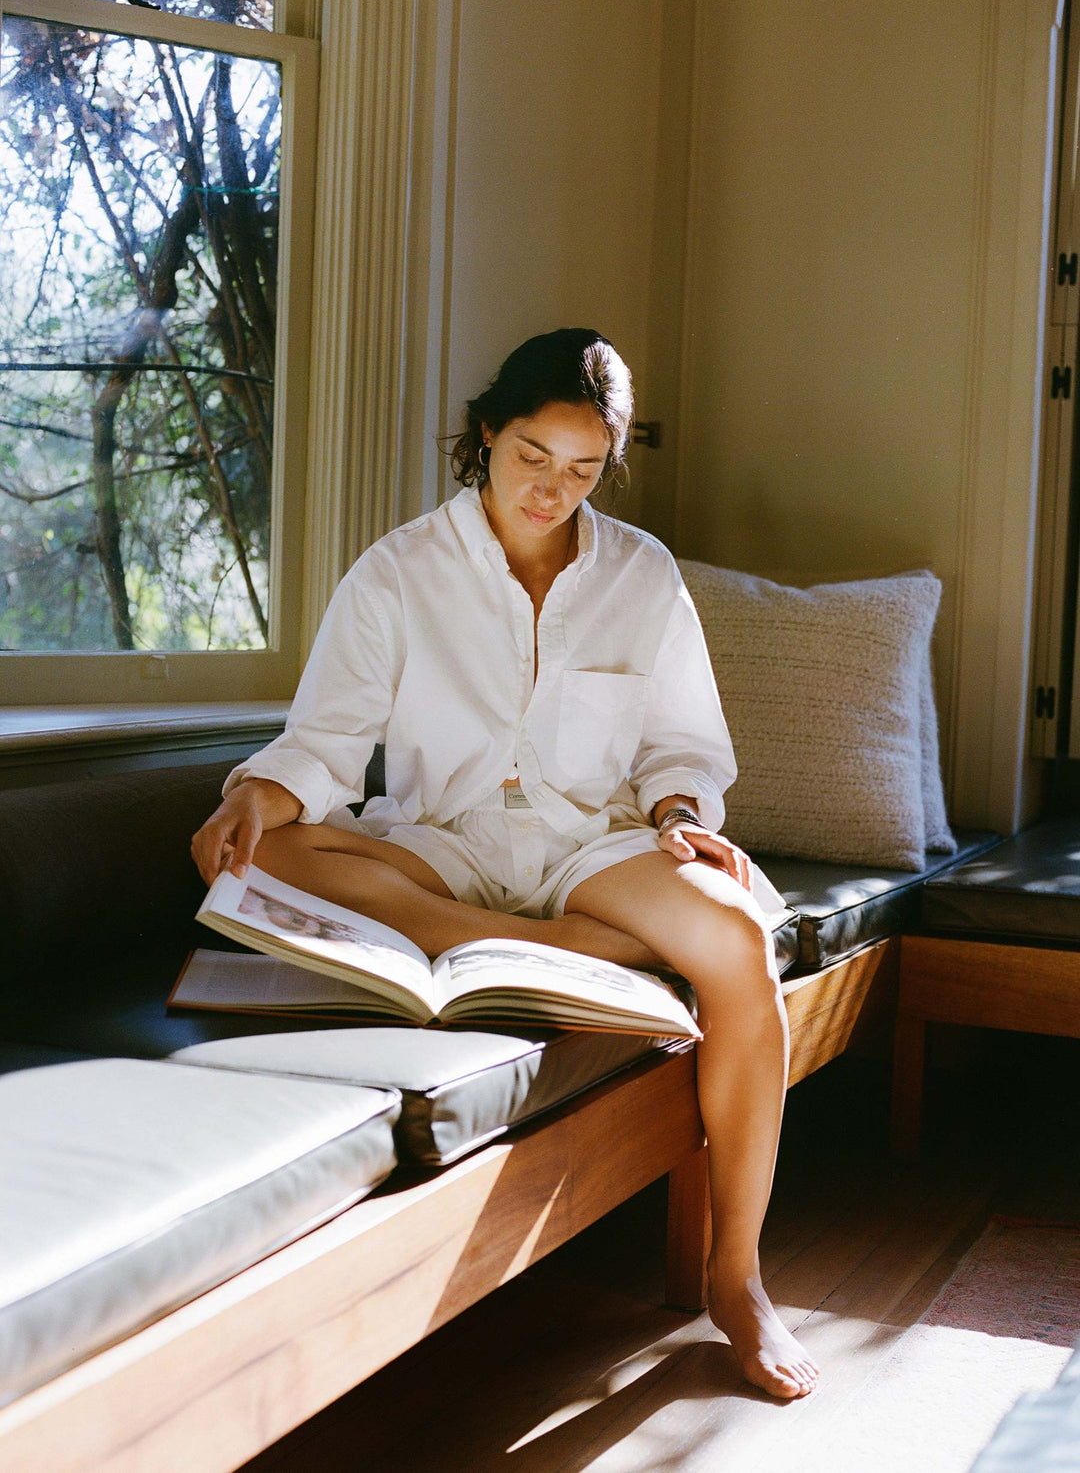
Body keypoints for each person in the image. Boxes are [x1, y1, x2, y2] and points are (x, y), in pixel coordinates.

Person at [191, 328, 819, 1399]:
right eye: (533, 457)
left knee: (742, 943)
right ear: (486, 430)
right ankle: (558, 954)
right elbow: (327, 744)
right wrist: (260, 789)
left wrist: (679, 813)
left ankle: (737, 1277)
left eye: (582, 471)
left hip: (595, 844)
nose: (552, 490)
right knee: (257, 851)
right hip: (441, 844)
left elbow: (683, 750)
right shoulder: (398, 571)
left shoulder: (643, 574)